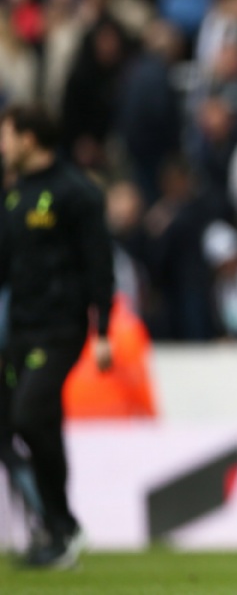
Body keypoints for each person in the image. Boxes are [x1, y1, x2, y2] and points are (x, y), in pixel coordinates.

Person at [0, 105, 114, 568]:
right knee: (29, 423)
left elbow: (99, 263)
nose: (2, 146)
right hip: (19, 328)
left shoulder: (76, 193)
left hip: (61, 328)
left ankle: (60, 523)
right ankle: (56, 527)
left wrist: (103, 329)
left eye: (7, 136)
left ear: (29, 139)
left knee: (30, 415)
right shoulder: (14, 196)